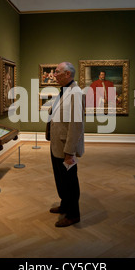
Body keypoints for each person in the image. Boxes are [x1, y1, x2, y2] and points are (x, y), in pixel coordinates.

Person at [46, 62, 85, 227]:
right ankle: (65, 205)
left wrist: (70, 151)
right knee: (60, 178)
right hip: (57, 144)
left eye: (57, 72)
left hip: (66, 148)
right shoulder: (64, 91)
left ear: (67, 74)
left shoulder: (76, 93)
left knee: (70, 180)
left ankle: (73, 214)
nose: (54, 74)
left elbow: (76, 126)